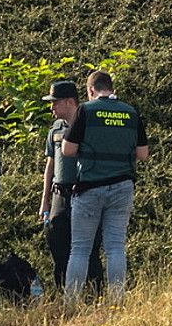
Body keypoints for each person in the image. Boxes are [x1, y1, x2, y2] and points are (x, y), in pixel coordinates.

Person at [61, 70, 149, 303]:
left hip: (89, 187)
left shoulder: (86, 110)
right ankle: (117, 300)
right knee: (115, 247)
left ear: (90, 90)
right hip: (122, 186)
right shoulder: (130, 112)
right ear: (110, 87)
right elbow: (143, 154)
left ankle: (72, 302)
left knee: (80, 248)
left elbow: (67, 150)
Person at [39, 80, 103, 293]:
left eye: (55, 103)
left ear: (69, 101)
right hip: (60, 195)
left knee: (89, 250)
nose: (52, 108)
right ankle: (63, 295)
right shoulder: (55, 129)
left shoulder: (89, 124)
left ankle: (94, 295)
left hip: (84, 193)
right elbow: (50, 165)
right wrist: (45, 201)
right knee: (58, 248)